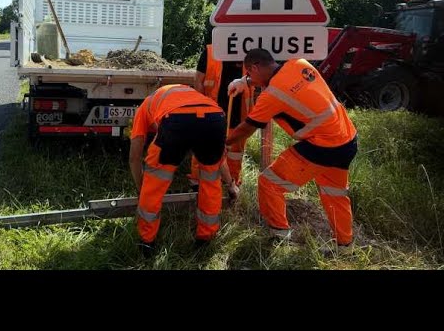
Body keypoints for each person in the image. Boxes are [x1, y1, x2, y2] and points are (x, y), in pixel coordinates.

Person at [226, 49, 358, 247]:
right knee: (335, 194)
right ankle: (345, 246)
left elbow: (247, 127)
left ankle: (279, 237)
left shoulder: (272, 96)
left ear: (255, 66)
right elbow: (281, 81)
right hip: (347, 139)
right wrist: (245, 82)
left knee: (269, 183)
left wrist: (223, 141)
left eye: (249, 74)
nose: (249, 78)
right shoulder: (299, 63)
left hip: (322, 147)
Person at [129, 84, 235, 255]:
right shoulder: (190, 95)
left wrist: (141, 188)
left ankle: (146, 243)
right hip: (215, 117)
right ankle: (205, 239)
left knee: (155, 180)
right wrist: (231, 185)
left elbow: (134, 157)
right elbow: (219, 161)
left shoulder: (144, 108)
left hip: (177, 119)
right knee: (210, 177)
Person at [191, 43, 252, 196]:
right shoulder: (211, 51)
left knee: (234, 154)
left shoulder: (249, 50)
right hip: (211, 113)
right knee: (205, 149)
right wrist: (200, 109)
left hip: (238, 115)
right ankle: (198, 186)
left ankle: (231, 186)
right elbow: (198, 80)